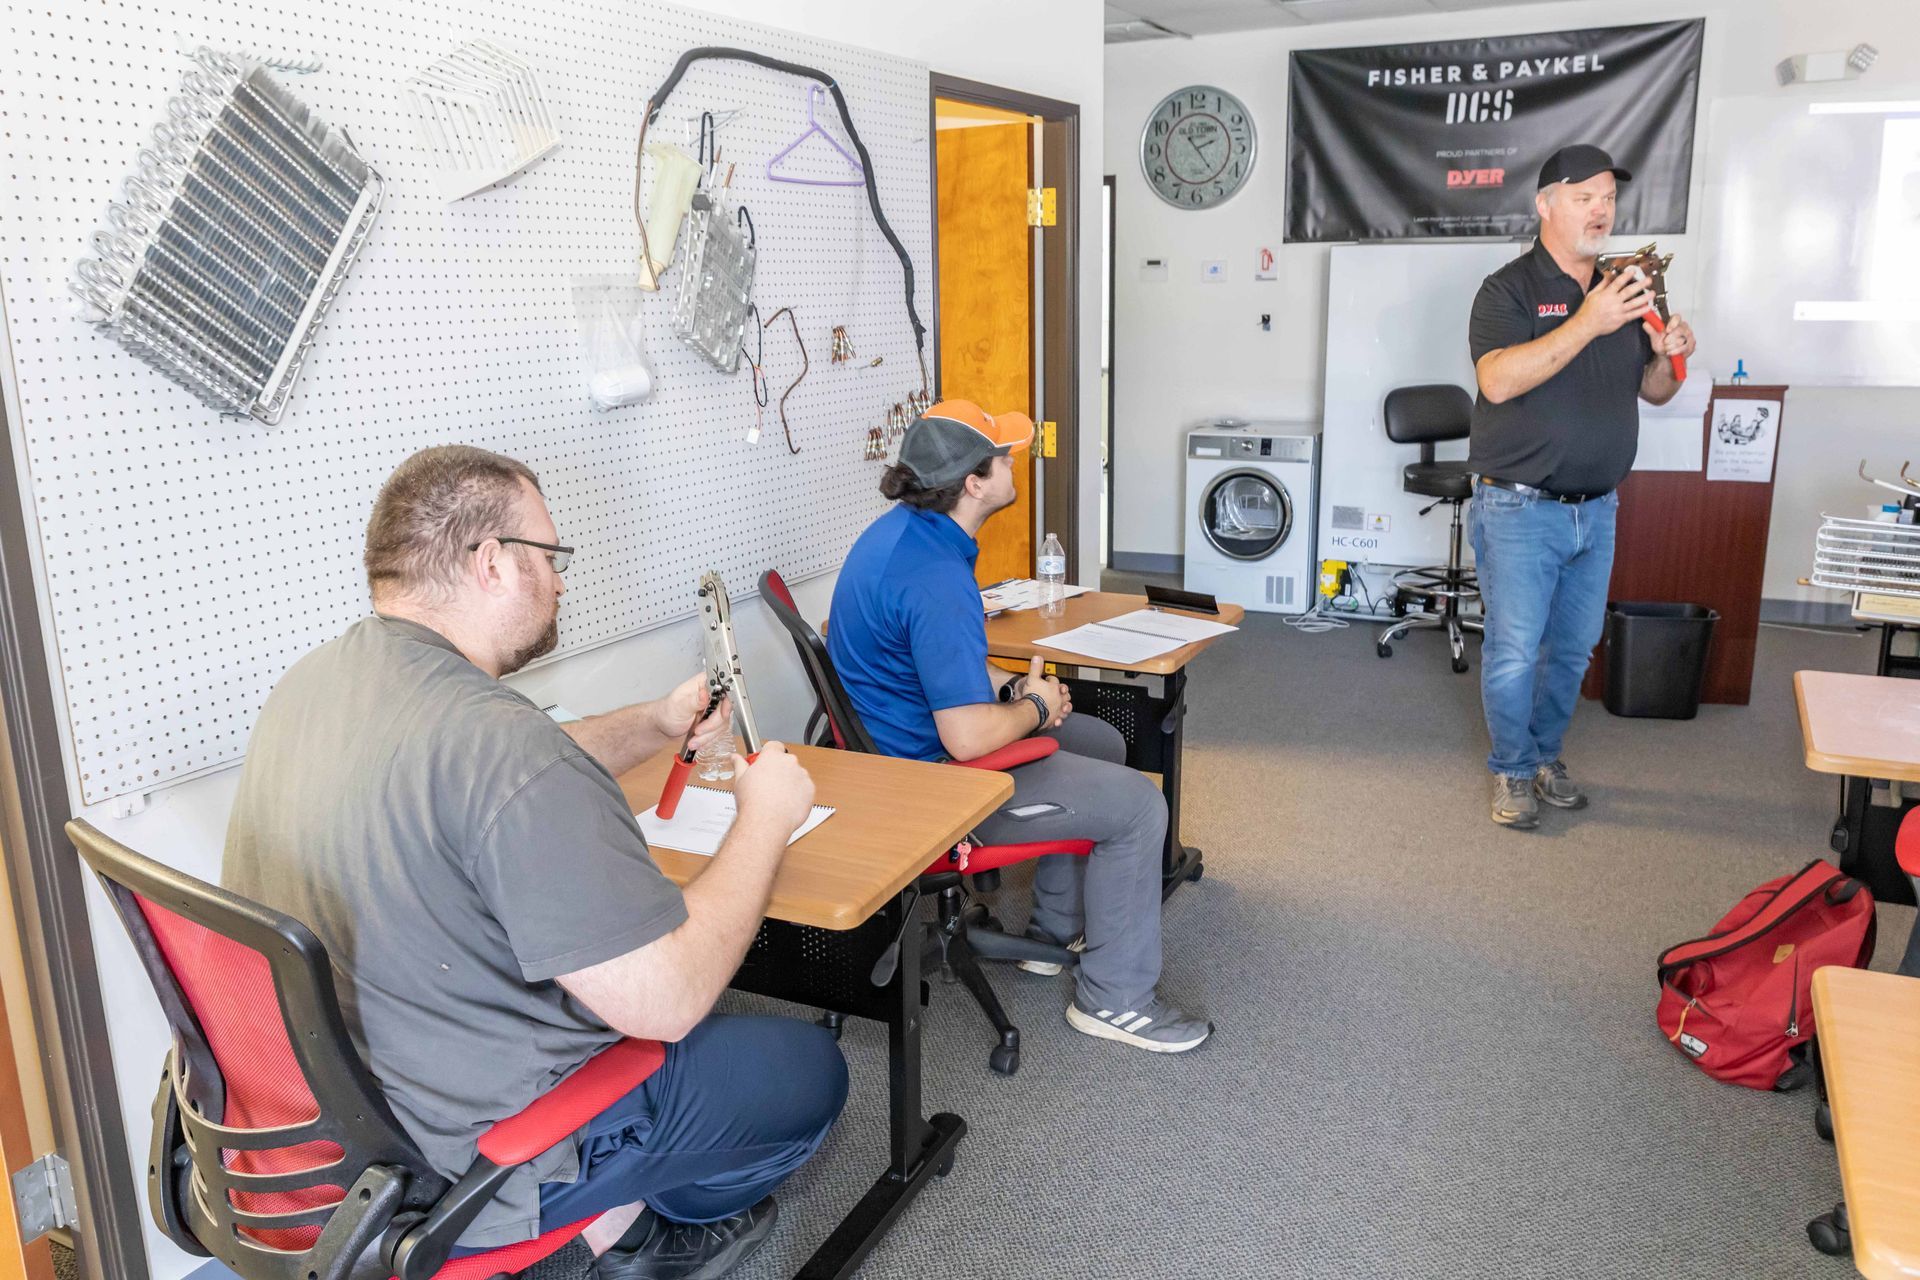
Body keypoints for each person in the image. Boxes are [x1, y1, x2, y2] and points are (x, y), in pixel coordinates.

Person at [223, 445, 846, 1280]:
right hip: (478, 1155)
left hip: (341, 1118)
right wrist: (764, 821)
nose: (559, 581)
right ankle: (622, 1229)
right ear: (491, 564)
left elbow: (485, 773)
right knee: (810, 1072)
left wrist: (655, 723)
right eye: (549, 558)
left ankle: (611, 1217)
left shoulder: (317, 684)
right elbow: (667, 1000)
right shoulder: (503, 750)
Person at [828, 401, 1212, 1054]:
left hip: (892, 755)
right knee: (1141, 807)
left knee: (1102, 742)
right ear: (973, 483)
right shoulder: (934, 577)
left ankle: (1050, 935)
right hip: (940, 789)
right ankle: (1115, 1002)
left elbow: (943, 661)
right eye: (1005, 459)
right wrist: (1032, 710)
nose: (1015, 466)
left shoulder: (906, 537)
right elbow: (968, 738)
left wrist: (1016, 690)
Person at [1467, 144, 1699, 830]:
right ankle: (1510, 770)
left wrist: (1667, 355)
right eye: (1584, 197)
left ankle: (1543, 755)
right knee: (1514, 649)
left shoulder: (1628, 288)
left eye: (1608, 198)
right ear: (1545, 205)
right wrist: (1587, 321)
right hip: (1518, 507)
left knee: (1573, 648)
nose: (1601, 210)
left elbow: (1654, 393)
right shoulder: (1505, 291)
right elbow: (1498, 380)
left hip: (1597, 510)